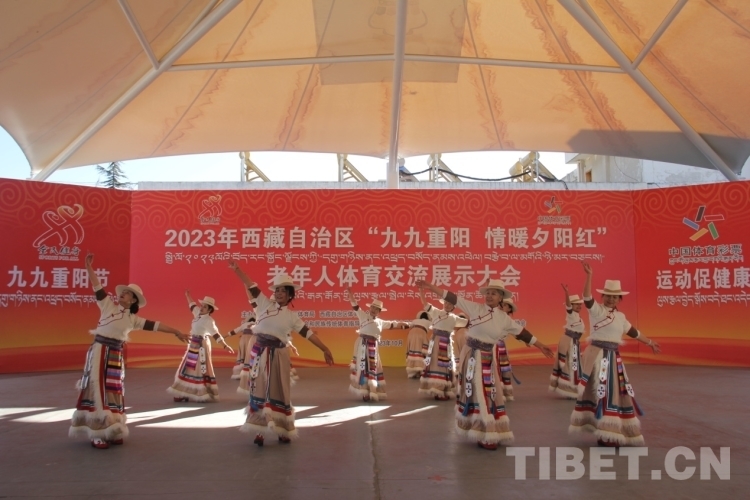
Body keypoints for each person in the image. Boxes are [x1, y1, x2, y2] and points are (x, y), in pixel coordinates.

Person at [69, 252, 188, 449]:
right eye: (123, 292)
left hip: (115, 354)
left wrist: (176, 331)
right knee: (97, 388)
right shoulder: (107, 305)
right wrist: (89, 267)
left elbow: (156, 325)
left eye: (127, 293)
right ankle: (97, 431)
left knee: (114, 389)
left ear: (133, 300)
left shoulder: (133, 319)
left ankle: (113, 428)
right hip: (99, 351)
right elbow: (97, 285)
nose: (122, 294)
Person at [417, 279, 553, 450]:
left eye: (493, 293)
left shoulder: (503, 319)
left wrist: (541, 345)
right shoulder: (475, 308)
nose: (489, 296)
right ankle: (482, 430)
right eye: (487, 293)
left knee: (490, 392)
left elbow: (522, 333)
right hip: (472, 356)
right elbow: (452, 297)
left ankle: (491, 428)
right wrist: (430, 287)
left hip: (488, 357)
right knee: (476, 391)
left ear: (500, 297)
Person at [229, 261, 334, 446]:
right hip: (259, 353)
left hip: (279, 355)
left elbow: (308, 333)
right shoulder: (264, 304)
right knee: (259, 390)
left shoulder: (292, 317)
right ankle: (259, 429)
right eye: (277, 290)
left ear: (289, 294)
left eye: (283, 291)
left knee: (280, 391)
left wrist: (325, 349)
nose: (278, 293)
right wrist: (237, 269)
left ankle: (283, 429)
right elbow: (250, 285)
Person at [569, 261, 661, 447]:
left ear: (620, 299)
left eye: (615, 297)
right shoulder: (597, 311)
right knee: (603, 393)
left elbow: (634, 332)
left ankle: (612, 430)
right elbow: (587, 297)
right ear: (603, 297)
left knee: (616, 394)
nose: (611, 299)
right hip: (598, 357)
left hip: (613, 359)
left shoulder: (621, 317)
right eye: (608, 296)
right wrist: (589, 276)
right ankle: (605, 434)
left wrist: (650, 342)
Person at [168, 291, 234, 402]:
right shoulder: (198, 313)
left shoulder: (209, 321)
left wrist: (225, 346)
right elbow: (192, 305)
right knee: (189, 368)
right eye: (202, 305)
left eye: (205, 307)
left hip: (201, 346)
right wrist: (188, 295)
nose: (201, 307)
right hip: (193, 344)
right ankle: (185, 392)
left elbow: (216, 334)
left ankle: (200, 392)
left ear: (209, 310)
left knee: (199, 369)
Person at [345, 287, 409, 401]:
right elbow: (354, 305)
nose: (374, 310)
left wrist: (410, 324)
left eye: (377, 309)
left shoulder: (380, 322)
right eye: (373, 307)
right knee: (363, 367)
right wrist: (350, 293)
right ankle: (364, 390)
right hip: (362, 345)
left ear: (379, 312)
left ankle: (373, 389)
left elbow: (394, 324)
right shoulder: (363, 316)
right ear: (370, 308)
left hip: (373, 348)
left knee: (373, 368)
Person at [419, 287, 460, 400]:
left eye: (450, 304)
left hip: (446, 343)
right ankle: (437, 389)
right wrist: (421, 292)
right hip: (435, 341)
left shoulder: (455, 318)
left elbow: (468, 323)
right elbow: (425, 304)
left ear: (453, 307)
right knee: (435, 364)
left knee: (445, 364)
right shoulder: (436, 312)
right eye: (446, 302)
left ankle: (444, 388)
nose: (447, 305)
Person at [549, 284, 585, 399]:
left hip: (574, 342)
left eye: (580, 304)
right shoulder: (571, 314)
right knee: (571, 365)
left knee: (575, 366)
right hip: (569, 342)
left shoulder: (578, 317)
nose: (579, 306)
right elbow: (568, 307)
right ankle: (569, 389)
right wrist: (567, 293)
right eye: (576, 304)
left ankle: (573, 388)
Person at [495, 298, 523, 401]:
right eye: (502, 304)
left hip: (501, 346)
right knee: (495, 368)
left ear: (509, 309)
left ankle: (506, 392)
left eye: (505, 305)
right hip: (493, 346)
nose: (502, 307)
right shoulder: (494, 316)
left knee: (504, 369)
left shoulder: (508, 321)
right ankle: (497, 393)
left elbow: (516, 332)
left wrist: (525, 340)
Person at [405, 312, 430, 379]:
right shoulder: (428, 322)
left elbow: (410, 327)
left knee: (412, 350)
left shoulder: (415, 320)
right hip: (421, 333)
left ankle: (412, 372)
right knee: (422, 351)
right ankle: (421, 371)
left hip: (411, 333)